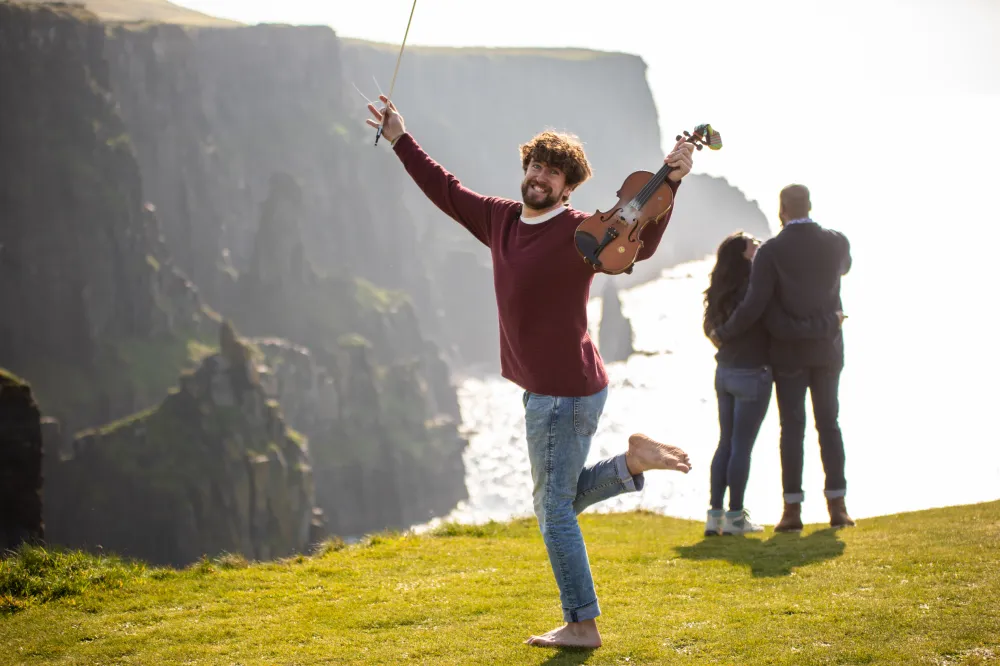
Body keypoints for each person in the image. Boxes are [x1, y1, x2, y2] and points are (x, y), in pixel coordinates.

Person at [367, 95, 693, 649]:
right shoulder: (498, 218)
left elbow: (637, 244)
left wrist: (675, 181)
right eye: (536, 166)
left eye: (554, 172)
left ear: (569, 188)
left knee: (552, 511)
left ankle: (582, 623)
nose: (541, 176)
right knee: (557, 501)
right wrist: (401, 138)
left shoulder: (580, 232)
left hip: (563, 392)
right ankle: (629, 464)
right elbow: (443, 188)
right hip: (551, 389)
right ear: (526, 171)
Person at [709, 185, 854, 532]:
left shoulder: (771, 251)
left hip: (788, 352)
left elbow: (756, 304)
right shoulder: (836, 241)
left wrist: (723, 333)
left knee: (792, 429)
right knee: (829, 425)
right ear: (810, 205)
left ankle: (792, 510)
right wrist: (824, 322)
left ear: (781, 211)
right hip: (828, 348)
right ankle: (838, 507)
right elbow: (845, 269)